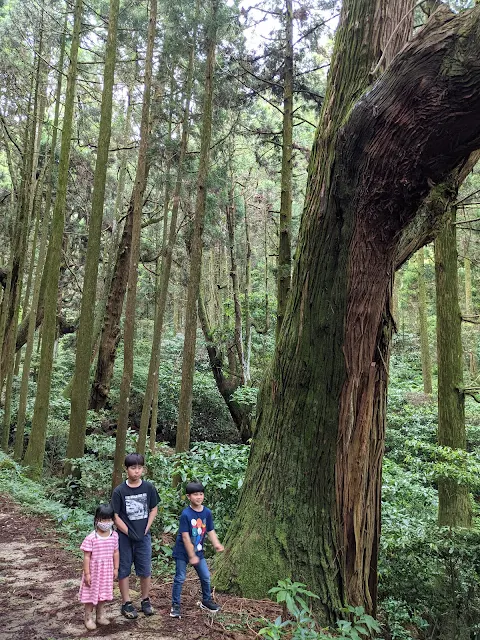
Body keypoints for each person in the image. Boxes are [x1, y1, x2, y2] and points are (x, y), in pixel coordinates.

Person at [111, 452, 159, 619]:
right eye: (133, 468)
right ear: (126, 469)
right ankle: (126, 603)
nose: (136, 471)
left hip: (144, 536)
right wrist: (128, 531)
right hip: (124, 538)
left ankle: (145, 600)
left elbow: (154, 508)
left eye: (139, 468)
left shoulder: (149, 488)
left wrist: (147, 527)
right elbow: (115, 516)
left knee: (145, 569)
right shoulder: (119, 491)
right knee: (124, 569)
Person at [170, 481, 224, 618]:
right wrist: (191, 555)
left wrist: (216, 544)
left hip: (198, 552)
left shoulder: (207, 513)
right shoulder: (186, 514)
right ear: (189, 496)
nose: (198, 497)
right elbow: (185, 537)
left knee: (205, 577)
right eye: (195, 495)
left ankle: (206, 600)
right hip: (183, 552)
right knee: (180, 578)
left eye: (201, 494)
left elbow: (210, 530)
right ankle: (175, 605)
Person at [79, 503, 119, 631]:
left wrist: (116, 568)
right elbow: (86, 557)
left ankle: (100, 616)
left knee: (103, 594)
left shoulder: (114, 536)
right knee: (90, 595)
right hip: (94, 572)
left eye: (109, 519)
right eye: (103, 519)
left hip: (106, 571)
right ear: (97, 520)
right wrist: (87, 574)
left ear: (113, 520)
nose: (106, 522)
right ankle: (88, 618)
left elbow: (115, 552)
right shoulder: (91, 537)